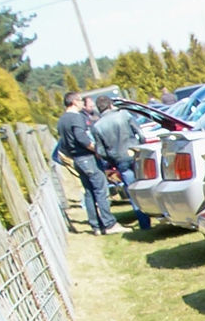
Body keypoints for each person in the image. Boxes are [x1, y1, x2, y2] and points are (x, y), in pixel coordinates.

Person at [56, 92, 124, 235]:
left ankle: (96, 226)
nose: (82, 103)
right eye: (80, 100)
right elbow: (82, 138)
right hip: (87, 157)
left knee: (89, 192)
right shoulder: (76, 118)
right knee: (101, 190)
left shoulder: (62, 120)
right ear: (74, 102)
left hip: (77, 159)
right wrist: (96, 149)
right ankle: (109, 224)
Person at [91, 95, 150, 229]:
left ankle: (144, 223)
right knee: (147, 184)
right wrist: (142, 147)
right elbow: (141, 135)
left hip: (119, 160)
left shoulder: (97, 126)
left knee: (132, 192)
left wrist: (111, 160)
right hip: (135, 153)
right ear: (111, 105)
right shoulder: (124, 115)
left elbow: (100, 151)